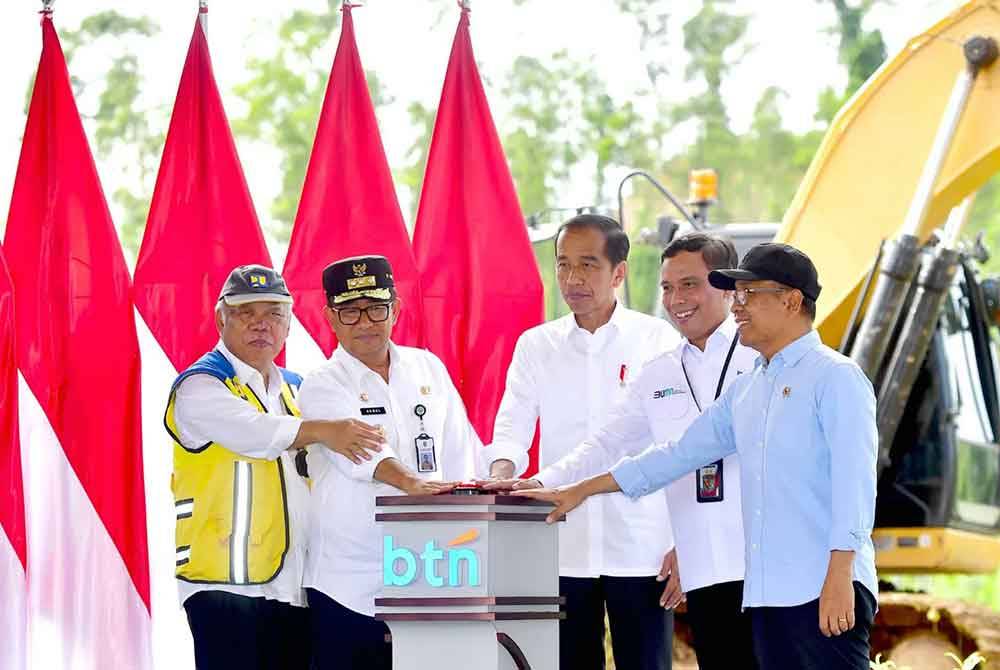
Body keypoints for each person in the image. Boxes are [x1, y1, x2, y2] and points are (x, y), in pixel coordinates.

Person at [516, 243, 879, 670]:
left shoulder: (835, 376)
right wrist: (579, 490)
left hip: (820, 587)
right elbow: (675, 455)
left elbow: (855, 483)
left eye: (749, 295)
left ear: (791, 300)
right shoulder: (748, 390)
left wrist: (841, 574)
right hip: (764, 594)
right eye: (736, 295)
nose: (738, 306)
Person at [481, 214, 679, 670]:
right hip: (561, 543)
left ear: (619, 272)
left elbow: (679, 443)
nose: (573, 279)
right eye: (563, 264)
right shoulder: (537, 345)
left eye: (588, 265)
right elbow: (511, 424)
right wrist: (501, 474)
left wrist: (680, 540)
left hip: (643, 544)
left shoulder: (657, 339)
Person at [166, 264, 385, 669]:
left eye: (274, 314)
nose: (261, 324)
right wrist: (328, 429)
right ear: (221, 318)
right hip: (225, 588)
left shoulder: (296, 388)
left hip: (297, 583)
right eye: (246, 312)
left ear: (289, 324)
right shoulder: (200, 386)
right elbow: (258, 432)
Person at [298, 255, 482, 670]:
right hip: (349, 583)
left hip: (429, 571)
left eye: (376, 308)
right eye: (349, 311)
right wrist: (410, 482)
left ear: (396, 308)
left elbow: (459, 452)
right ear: (329, 317)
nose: (365, 322)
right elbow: (360, 452)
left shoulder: (428, 368)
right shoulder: (322, 384)